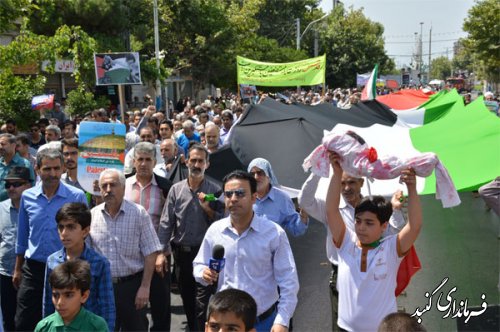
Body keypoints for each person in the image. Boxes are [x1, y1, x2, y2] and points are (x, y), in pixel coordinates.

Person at [298, 169, 406, 331]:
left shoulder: (374, 206)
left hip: (373, 276)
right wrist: (319, 170)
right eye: (342, 183)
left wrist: (395, 210)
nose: (347, 188)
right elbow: (305, 201)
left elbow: (392, 234)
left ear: (362, 183)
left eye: (351, 182)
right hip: (343, 276)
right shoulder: (330, 209)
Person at [325, 152, 422, 331]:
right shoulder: (346, 242)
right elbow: (331, 210)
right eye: (358, 221)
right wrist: (336, 173)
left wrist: (412, 188)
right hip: (344, 329)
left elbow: (414, 226)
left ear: (384, 226)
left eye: (369, 223)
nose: (361, 227)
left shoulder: (391, 248)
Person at [193, 170, 299, 332]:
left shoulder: (274, 234)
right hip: (225, 324)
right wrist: (203, 273)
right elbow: (198, 264)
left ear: (254, 197)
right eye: (228, 194)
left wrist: (282, 320)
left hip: (263, 322)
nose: (233, 199)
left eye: (240, 193)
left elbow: (288, 281)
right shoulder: (215, 231)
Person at [14, 148, 87, 331]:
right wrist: (17, 268)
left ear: (63, 168)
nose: (52, 174)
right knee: (23, 321)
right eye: (47, 169)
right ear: (37, 169)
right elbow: (22, 235)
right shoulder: (28, 196)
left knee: (60, 322)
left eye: (56, 168)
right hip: (33, 268)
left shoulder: (76, 196)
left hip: (64, 268)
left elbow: (85, 233)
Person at [158, 143, 225, 331]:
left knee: (205, 301)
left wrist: (208, 209)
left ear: (207, 164)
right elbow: (166, 223)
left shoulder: (215, 191)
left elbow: (224, 223)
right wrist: (161, 252)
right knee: (188, 298)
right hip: (183, 255)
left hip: (206, 256)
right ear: (186, 161)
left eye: (200, 161)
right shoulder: (176, 190)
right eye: (193, 160)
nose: (196, 164)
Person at [88, 169, 162, 331]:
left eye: (113, 185)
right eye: (104, 186)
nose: (108, 190)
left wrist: (145, 287)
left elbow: (151, 253)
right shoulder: (92, 216)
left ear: (123, 187)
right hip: (102, 287)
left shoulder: (139, 213)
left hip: (132, 287)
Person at [42, 203, 115, 331]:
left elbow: (107, 306)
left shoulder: (99, 263)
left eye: (71, 227)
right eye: (61, 227)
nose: (64, 233)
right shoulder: (52, 261)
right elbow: (48, 301)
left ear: (85, 231)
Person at [125, 142, 172, 331]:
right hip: (131, 257)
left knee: (160, 308)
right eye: (140, 159)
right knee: (134, 310)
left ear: (154, 162)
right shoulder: (123, 184)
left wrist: (162, 252)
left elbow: (169, 223)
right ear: (134, 161)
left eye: (148, 160)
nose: (143, 164)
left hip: (159, 256)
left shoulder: (165, 187)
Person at [34, 260, 108, 332]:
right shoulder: (44, 328)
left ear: (84, 296)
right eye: (56, 295)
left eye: (68, 295)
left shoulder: (96, 326)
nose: (60, 302)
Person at [0, 167, 32, 330]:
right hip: (5, 273)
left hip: (30, 274)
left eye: (16, 184)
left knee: (27, 320)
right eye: (8, 185)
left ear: (28, 185)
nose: (11, 188)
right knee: (8, 319)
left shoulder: (35, 207)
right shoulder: (1, 208)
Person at [248, 158, 308, 237]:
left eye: (260, 173)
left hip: (273, 248)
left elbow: (296, 229)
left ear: (268, 175)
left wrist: (303, 218)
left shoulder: (282, 198)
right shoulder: (243, 197)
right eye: (252, 174)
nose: (255, 177)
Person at [0, 133, 35, 201]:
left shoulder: (24, 164)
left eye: (3, 144)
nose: (0, 147)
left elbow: (31, 188)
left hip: (15, 207)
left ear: (13, 145)